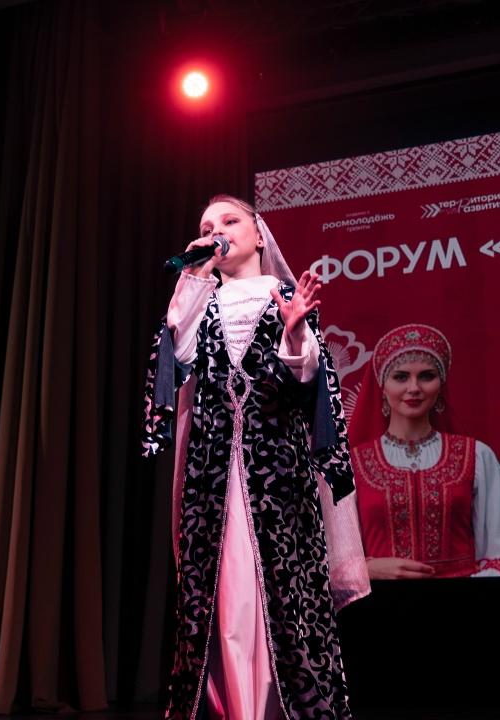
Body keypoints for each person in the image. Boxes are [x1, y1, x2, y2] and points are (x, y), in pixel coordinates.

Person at [141, 194, 366, 720]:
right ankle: (230, 705)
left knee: (281, 590)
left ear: (260, 235)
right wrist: (192, 278)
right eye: (206, 228)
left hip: (278, 475)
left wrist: (295, 332)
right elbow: (177, 356)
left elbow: (309, 383)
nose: (216, 232)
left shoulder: (286, 297)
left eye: (229, 221)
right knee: (221, 593)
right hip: (211, 474)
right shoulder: (200, 300)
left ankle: (277, 705)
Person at [347, 324, 500, 579]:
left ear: (440, 383)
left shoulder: (476, 457)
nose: (414, 388)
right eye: (400, 377)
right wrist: (365, 569)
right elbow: (331, 558)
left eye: (426, 376)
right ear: (382, 385)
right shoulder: (352, 465)